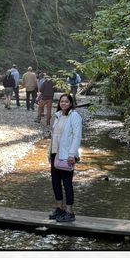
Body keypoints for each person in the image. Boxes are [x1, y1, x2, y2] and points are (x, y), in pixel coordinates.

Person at [48, 94, 82, 222]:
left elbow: (77, 136)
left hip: (67, 155)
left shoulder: (74, 116)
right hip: (55, 153)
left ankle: (70, 211)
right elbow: (54, 136)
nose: (63, 103)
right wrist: (49, 152)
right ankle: (59, 209)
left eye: (66, 101)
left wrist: (72, 154)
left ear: (71, 103)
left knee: (67, 183)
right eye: (62, 101)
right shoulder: (58, 115)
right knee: (55, 182)